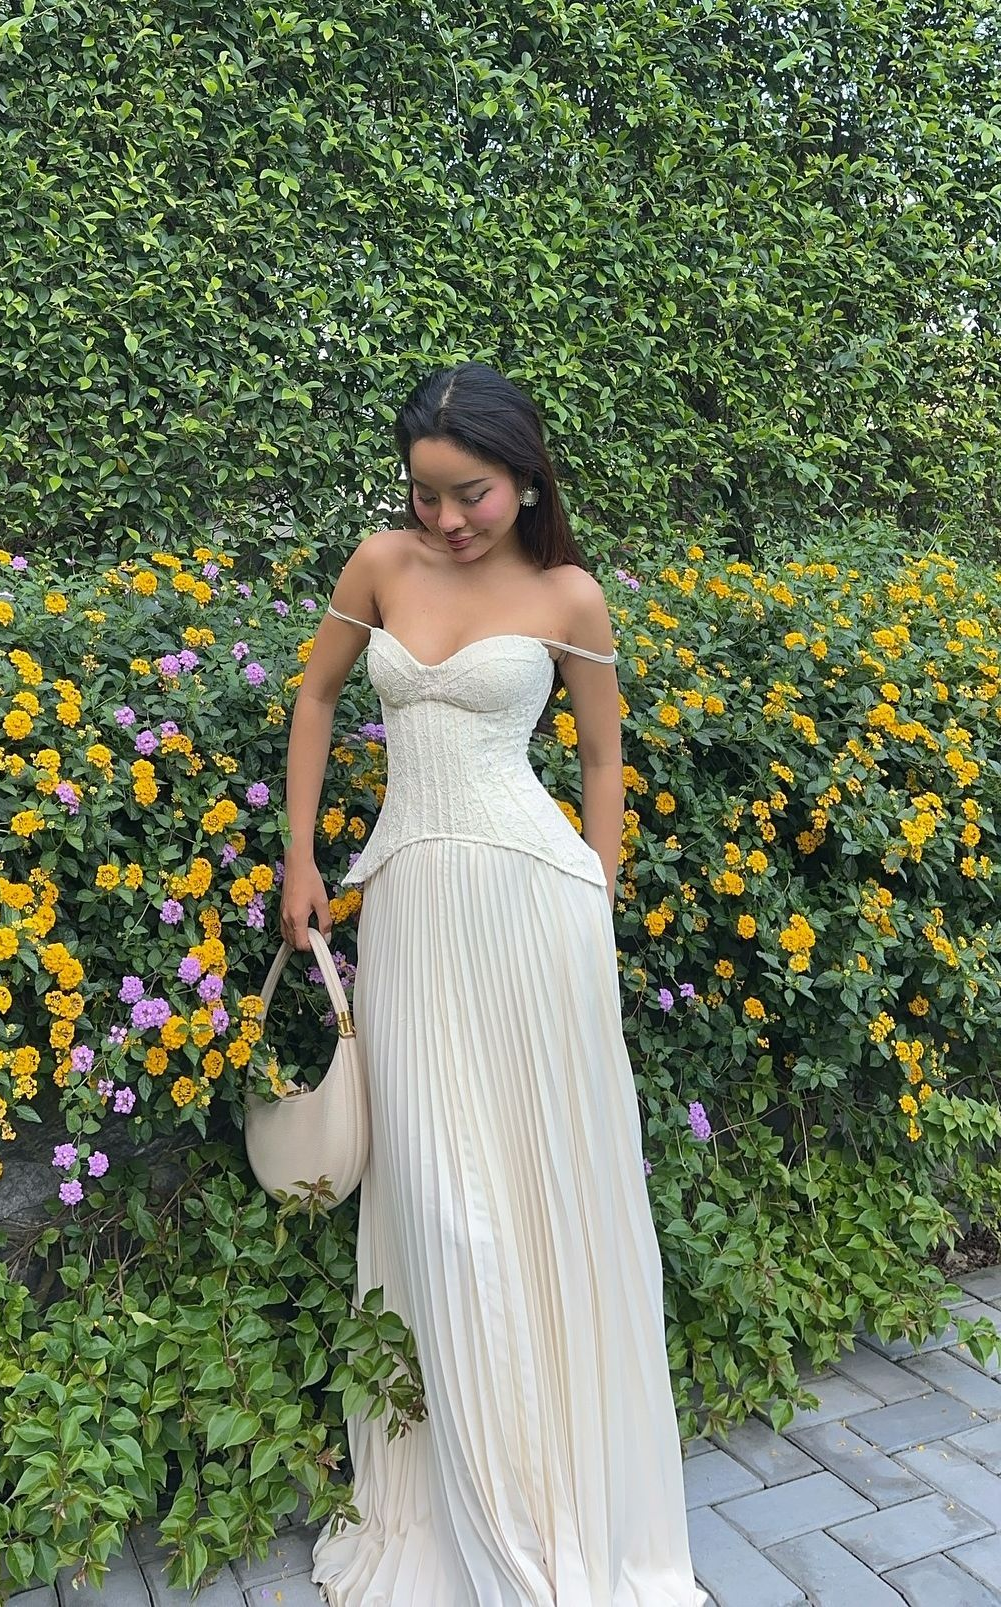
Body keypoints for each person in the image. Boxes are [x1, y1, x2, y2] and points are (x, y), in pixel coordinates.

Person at [279, 361, 707, 1606]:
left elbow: (603, 752)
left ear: (523, 475)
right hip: (412, 904)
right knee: (435, 1193)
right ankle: (460, 1481)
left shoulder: (570, 593)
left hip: (534, 912)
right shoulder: (379, 564)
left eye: (469, 492)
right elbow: (314, 696)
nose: (447, 517)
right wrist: (299, 856)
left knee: (539, 1181)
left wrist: (595, 888)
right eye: (426, 493)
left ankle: (551, 1494)